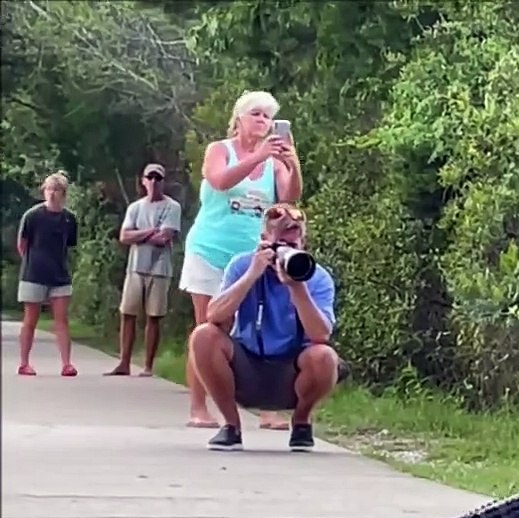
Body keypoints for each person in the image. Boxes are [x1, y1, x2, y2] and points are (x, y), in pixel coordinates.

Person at [179, 89, 303, 430]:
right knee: (207, 327)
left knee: (257, 328)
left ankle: (267, 408)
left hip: (252, 256)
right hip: (210, 249)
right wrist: (257, 157)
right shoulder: (220, 150)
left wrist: (292, 163)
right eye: (256, 114)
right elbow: (219, 181)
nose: (263, 121)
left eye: (268, 116)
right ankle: (199, 407)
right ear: (239, 119)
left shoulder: (273, 159)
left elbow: (290, 199)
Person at [188, 203, 344, 452]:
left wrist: (297, 287)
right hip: (247, 366)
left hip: (292, 372)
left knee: (325, 357)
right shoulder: (242, 265)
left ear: (303, 243)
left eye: (292, 246)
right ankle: (231, 426)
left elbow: (320, 335)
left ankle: (302, 421)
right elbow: (214, 316)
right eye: (279, 244)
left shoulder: (317, 277)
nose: (285, 252)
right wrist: (252, 274)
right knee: (203, 336)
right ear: (263, 241)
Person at [106, 163, 182, 377]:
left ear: (163, 181)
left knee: (153, 316)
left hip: (159, 268)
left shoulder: (172, 207)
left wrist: (139, 235)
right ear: (143, 180)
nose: (154, 182)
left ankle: (148, 366)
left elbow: (164, 237)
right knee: (127, 313)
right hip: (136, 267)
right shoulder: (136, 207)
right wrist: (150, 231)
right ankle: (124, 363)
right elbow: (124, 236)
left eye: (158, 178)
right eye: (151, 177)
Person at [14, 172, 79, 377]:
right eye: (49, 189)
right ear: (44, 191)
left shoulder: (69, 218)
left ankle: (66, 363)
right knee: (30, 319)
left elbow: (69, 245)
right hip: (33, 273)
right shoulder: (32, 216)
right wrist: (33, 262)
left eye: (56, 190)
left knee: (61, 319)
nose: (52, 194)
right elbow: (22, 244)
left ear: (63, 194)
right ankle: (24, 362)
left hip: (59, 274)